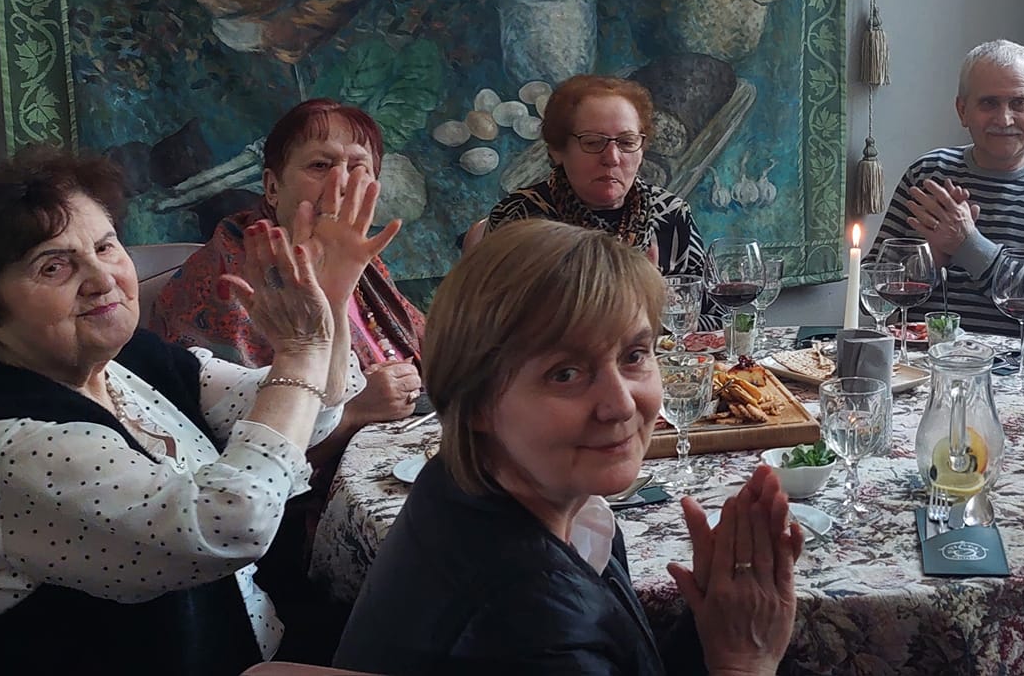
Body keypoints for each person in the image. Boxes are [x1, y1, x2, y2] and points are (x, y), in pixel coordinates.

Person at [0, 147, 369, 676]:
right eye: (54, 267)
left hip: (254, 640)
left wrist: (330, 297)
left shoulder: (118, 362)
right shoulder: (10, 447)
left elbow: (308, 414)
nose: (103, 279)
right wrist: (300, 351)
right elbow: (229, 524)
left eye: (105, 246)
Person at [334, 219, 800, 675]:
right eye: (566, 374)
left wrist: (708, 627)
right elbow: (552, 635)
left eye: (634, 355)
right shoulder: (525, 622)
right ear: (474, 403)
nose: (621, 405)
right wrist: (744, 662)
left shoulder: (470, 486)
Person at [151, 99, 424, 468]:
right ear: (272, 186)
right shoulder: (225, 281)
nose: (342, 183)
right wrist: (355, 413)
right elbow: (231, 464)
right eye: (320, 166)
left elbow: (431, 351)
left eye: (359, 168)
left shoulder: (357, 256)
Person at [873, 39, 1024, 334]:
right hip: (924, 356)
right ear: (962, 110)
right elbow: (868, 292)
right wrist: (930, 259)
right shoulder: (928, 174)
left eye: (1019, 102)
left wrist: (970, 246)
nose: (1004, 119)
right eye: (988, 103)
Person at [485, 75, 716, 321]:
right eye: (593, 142)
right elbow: (495, 326)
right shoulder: (520, 218)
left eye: (627, 142)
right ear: (557, 150)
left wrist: (667, 319)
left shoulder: (670, 214)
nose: (612, 158)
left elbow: (714, 316)